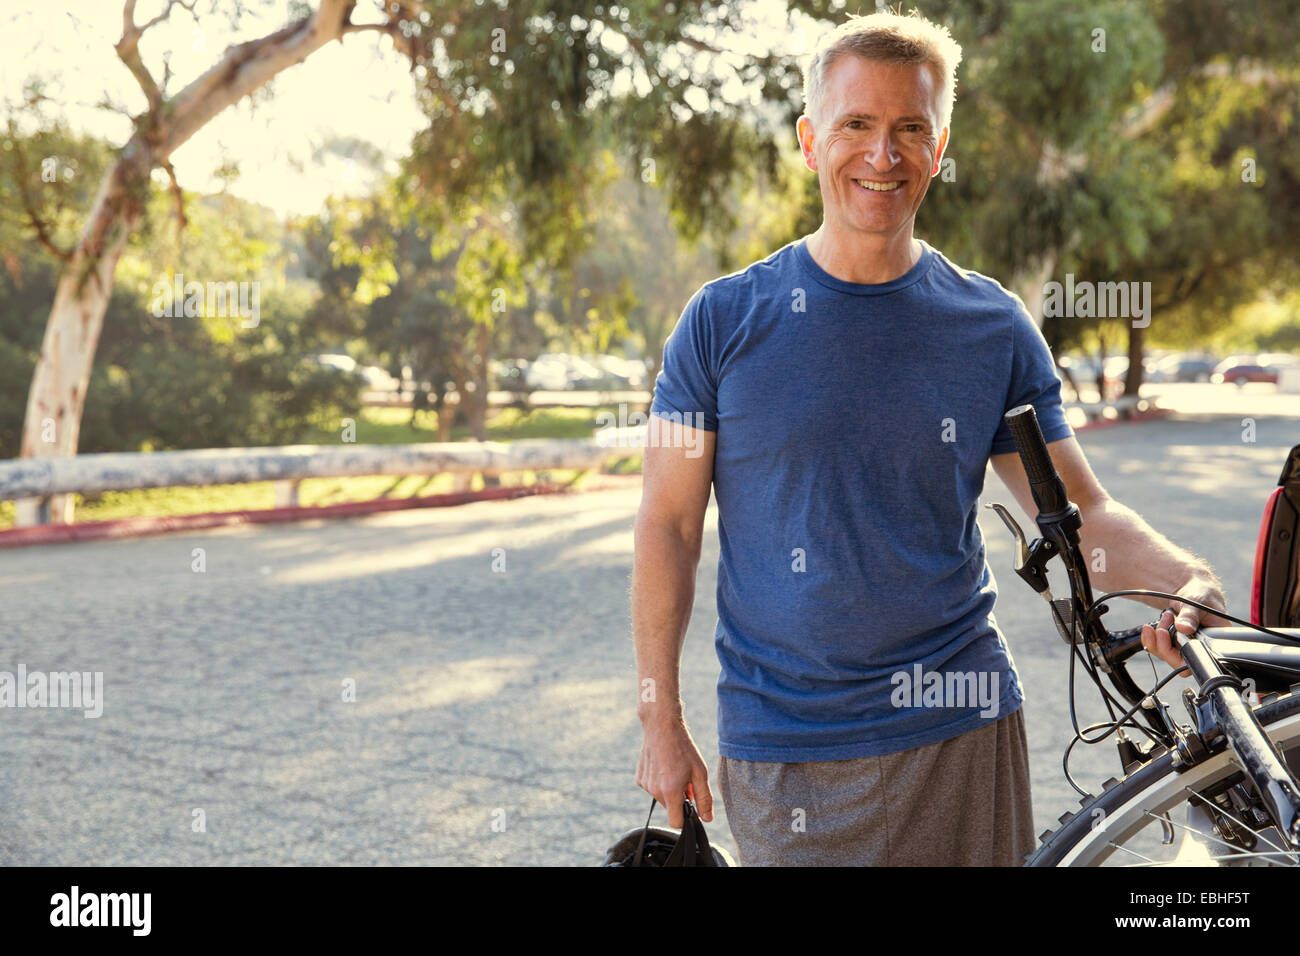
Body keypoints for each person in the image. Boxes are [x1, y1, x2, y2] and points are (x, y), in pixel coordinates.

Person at [631, 10, 1228, 865]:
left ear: (939, 148)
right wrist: (661, 718)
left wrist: (1186, 578)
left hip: (961, 728)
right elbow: (668, 527)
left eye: (911, 129)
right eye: (858, 126)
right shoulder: (721, 322)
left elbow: (1081, 515)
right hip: (784, 747)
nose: (884, 155)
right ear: (809, 140)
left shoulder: (991, 326)